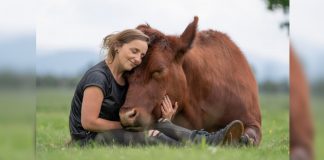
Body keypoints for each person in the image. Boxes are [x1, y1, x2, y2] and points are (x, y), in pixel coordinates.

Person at [68, 29, 244, 146]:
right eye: (134, 51)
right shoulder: (98, 78)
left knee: (164, 125)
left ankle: (215, 140)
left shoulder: (125, 75)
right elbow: (88, 122)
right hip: (89, 137)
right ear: (117, 47)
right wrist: (128, 127)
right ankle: (192, 149)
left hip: (113, 128)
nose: (138, 59)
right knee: (153, 136)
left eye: (142, 55)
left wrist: (162, 120)